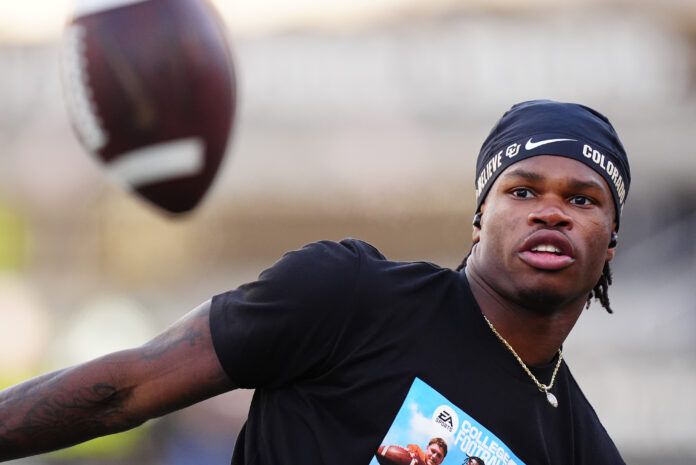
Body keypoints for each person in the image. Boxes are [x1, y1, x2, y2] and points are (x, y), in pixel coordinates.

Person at [0, 100, 630, 464]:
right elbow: (124, 390)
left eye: (582, 200)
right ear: (477, 221)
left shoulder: (583, 449)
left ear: (609, 244)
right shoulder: (350, 297)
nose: (551, 211)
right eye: (521, 191)